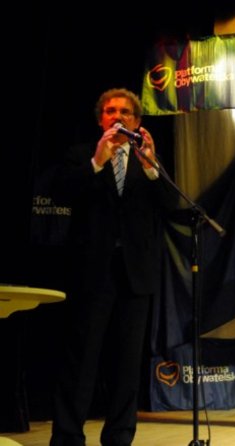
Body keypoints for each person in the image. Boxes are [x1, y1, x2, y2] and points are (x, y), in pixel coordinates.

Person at [50, 88, 178, 446]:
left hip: (135, 275)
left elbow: (173, 206)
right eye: (110, 111)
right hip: (92, 274)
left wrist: (151, 167)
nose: (117, 116)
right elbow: (61, 193)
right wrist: (96, 162)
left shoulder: (147, 159)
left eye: (125, 112)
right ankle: (67, 437)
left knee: (127, 364)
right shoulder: (82, 155)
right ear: (101, 120)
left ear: (136, 122)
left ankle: (120, 437)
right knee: (81, 361)